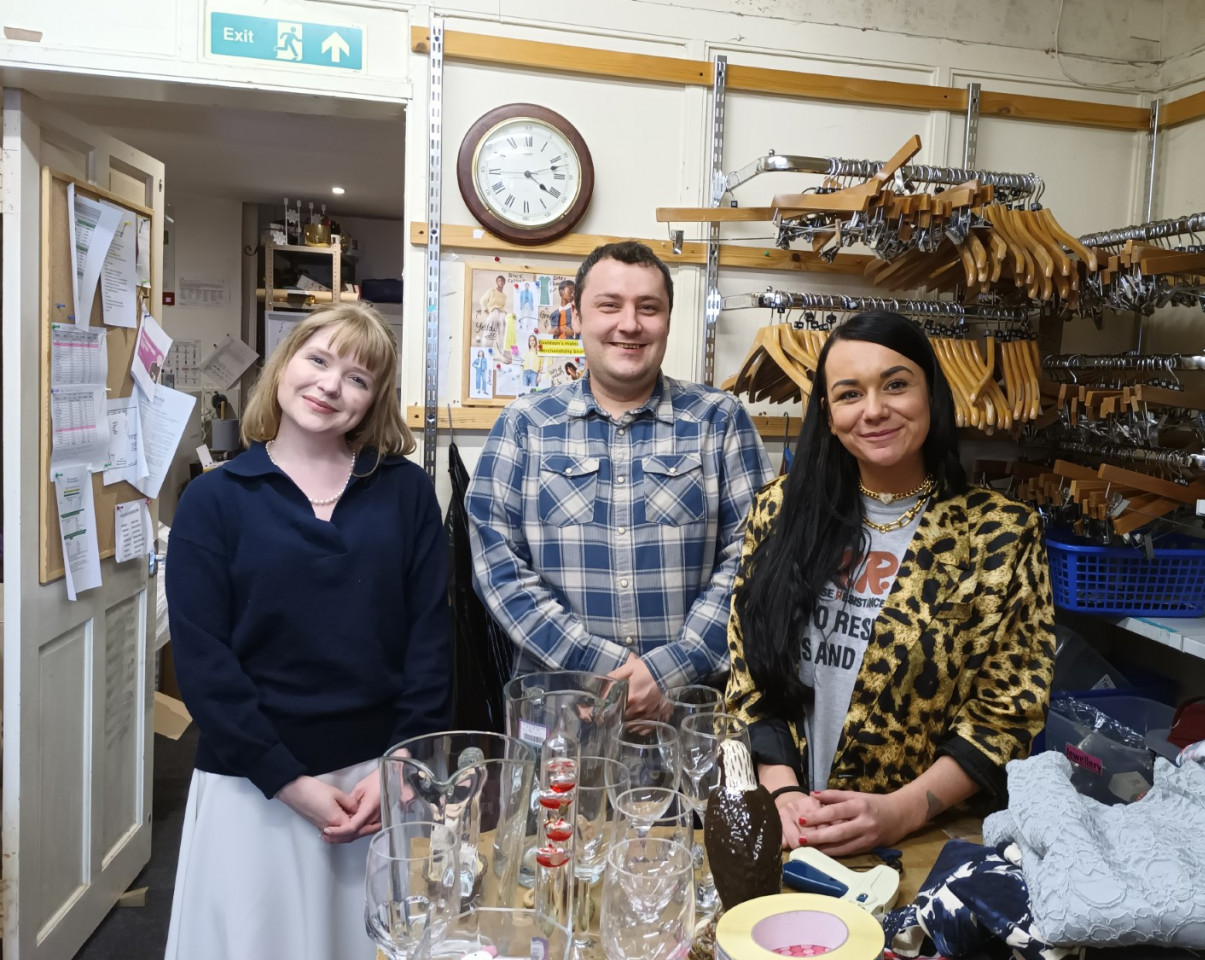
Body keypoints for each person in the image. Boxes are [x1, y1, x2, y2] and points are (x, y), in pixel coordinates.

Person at [164, 302, 451, 960]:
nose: (330, 385)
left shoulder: (404, 492)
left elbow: (430, 642)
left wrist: (401, 768)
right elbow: (205, 667)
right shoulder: (215, 500)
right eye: (318, 360)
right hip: (254, 785)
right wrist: (290, 784)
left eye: (358, 377)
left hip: (378, 784)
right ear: (283, 366)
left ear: (375, 400)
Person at [725, 310, 1055, 857]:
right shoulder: (780, 512)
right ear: (828, 414)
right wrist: (781, 792)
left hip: (921, 840)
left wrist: (900, 812)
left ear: (931, 394)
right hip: (784, 828)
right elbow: (749, 672)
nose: (874, 410)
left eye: (896, 385)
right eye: (850, 394)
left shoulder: (1000, 533)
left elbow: (1007, 712)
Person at [468, 240, 772, 720]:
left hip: (689, 720)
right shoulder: (524, 425)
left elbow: (755, 558)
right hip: (561, 720)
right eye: (609, 305)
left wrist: (669, 671)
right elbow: (499, 569)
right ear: (579, 316)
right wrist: (600, 669)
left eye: (648, 308)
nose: (629, 324)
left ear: (668, 320)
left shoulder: (720, 421)